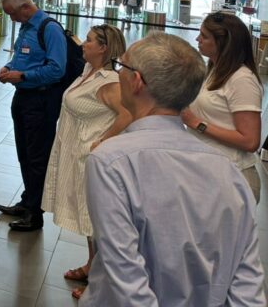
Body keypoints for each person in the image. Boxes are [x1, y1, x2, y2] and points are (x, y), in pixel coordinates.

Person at [82, 33, 265, 306]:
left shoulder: (111, 162)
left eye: (123, 66)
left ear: (137, 82)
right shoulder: (229, 173)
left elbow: (125, 276)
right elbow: (247, 283)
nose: (118, 72)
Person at [42, 24, 131, 300]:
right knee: (86, 216)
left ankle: (102, 284)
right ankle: (92, 265)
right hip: (74, 150)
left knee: (97, 221)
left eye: (90, 41)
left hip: (90, 155)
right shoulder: (87, 72)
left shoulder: (109, 81)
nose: (84, 44)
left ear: (104, 48)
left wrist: (102, 140)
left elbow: (128, 114)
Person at [0, 0, 66, 232]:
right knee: (24, 153)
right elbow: (20, 59)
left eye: (12, 14)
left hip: (41, 100)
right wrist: (8, 68)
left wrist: (23, 75)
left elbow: (57, 69)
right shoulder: (26, 27)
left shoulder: (50, 29)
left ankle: (35, 214)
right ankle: (28, 201)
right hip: (22, 97)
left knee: (37, 157)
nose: (12, 19)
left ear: (25, 7)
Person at [180, 12, 264, 201]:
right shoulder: (214, 71)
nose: (197, 39)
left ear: (222, 43)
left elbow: (250, 141)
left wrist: (197, 123)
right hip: (208, 171)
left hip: (233, 177)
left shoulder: (242, 80)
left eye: (204, 36)